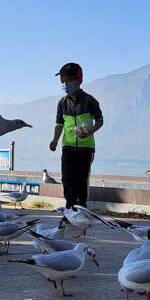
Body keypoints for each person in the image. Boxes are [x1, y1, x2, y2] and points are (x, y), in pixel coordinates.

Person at [49, 62, 103, 209]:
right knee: (67, 179)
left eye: (68, 81)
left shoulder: (90, 101)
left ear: (78, 81)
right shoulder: (62, 103)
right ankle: (70, 207)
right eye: (63, 82)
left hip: (86, 148)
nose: (65, 85)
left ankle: (82, 207)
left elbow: (100, 120)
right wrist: (55, 140)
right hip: (68, 147)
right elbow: (59, 123)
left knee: (81, 179)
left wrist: (90, 131)